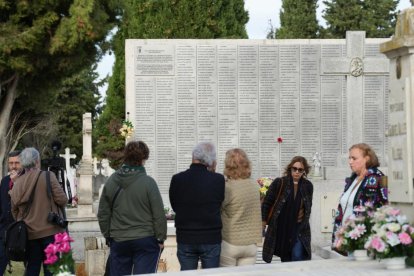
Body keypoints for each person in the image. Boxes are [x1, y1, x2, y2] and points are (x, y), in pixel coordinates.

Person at [98, 141, 166, 275]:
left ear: (126, 157)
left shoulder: (112, 181)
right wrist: (160, 238)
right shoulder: (148, 183)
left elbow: (103, 213)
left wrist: (108, 236)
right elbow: (158, 214)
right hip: (145, 239)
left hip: (119, 239)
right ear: (143, 159)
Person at [10, 147, 68, 276]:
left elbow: (14, 211)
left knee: (32, 268)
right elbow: (63, 200)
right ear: (37, 161)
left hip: (29, 234)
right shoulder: (48, 176)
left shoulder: (17, 184)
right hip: (50, 231)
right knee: (51, 269)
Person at [169, 142, 225, 270]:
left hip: (186, 236)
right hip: (210, 236)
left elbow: (175, 205)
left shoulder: (177, 179)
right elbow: (219, 203)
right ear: (210, 160)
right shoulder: (218, 179)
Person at [332, 143, 388, 254]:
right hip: (346, 240)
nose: (350, 161)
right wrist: (339, 236)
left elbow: (376, 211)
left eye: (354, 158)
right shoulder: (353, 179)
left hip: (362, 242)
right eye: (349, 158)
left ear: (366, 159)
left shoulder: (377, 178)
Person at [262, 156, 313, 263]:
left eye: (300, 170)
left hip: (299, 228)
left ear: (304, 171)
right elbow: (267, 203)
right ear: (290, 168)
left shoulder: (307, 186)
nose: (297, 172)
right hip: (283, 228)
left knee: (297, 255)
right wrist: (263, 221)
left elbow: (308, 208)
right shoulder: (280, 183)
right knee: (286, 258)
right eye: (294, 168)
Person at [220, 148, 262, 267]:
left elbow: (218, 210)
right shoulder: (254, 186)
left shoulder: (227, 187)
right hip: (250, 244)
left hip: (230, 242)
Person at [0, 150, 22, 273]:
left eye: (17, 163)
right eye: (11, 163)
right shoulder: (4, 181)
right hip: (4, 230)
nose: (13, 166)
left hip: (21, 230)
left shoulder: (27, 180)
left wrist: (16, 183)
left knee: (30, 264)